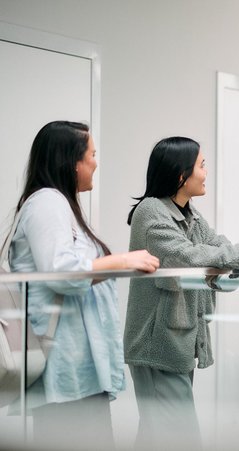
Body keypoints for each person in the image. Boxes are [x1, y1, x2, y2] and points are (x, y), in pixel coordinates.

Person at [3, 121, 160, 450]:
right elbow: (62, 273)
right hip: (65, 368)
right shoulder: (47, 202)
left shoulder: (60, 204)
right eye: (92, 154)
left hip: (77, 369)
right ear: (71, 161)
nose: (96, 162)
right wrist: (122, 261)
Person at [124, 136, 239, 450]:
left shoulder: (188, 214)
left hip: (175, 342)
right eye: (202, 165)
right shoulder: (151, 212)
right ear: (182, 174)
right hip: (156, 346)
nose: (206, 172)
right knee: (178, 438)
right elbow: (187, 255)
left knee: (158, 436)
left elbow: (216, 243)